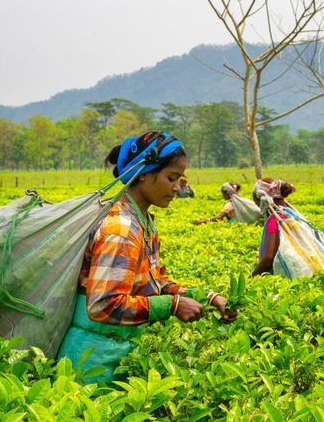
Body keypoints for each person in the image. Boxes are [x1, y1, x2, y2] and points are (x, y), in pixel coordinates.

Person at [57, 131, 235, 383]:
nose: (177, 188)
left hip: (117, 352)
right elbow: (103, 305)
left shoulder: (143, 223)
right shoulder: (120, 230)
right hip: (92, 360)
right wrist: (171, 306)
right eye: (171, 178)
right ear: (144, 173)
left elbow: (155, 282)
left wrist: (207, 298)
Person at [250, 178, 296, 277]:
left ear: (263, 200)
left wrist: (250, 278)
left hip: (287, 276)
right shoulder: (291, 213)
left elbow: (268, 259)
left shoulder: (275, 220)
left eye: (256, 202)